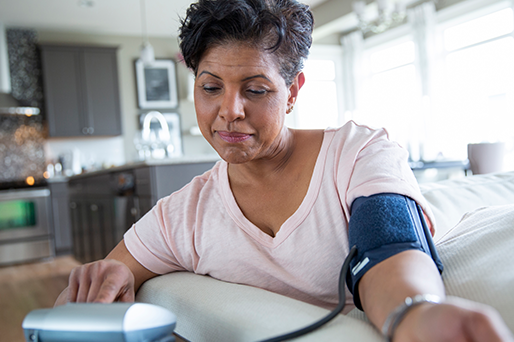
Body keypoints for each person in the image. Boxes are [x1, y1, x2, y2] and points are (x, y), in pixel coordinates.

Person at [55, 0, 513, 341]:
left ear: (293, 91)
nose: (228, 111)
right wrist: (100, 284)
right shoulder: (183, 216)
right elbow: (96, 285)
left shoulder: (358, 151)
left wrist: (414, 314)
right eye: (210, 86)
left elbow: (389, 245)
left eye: (255, 89)